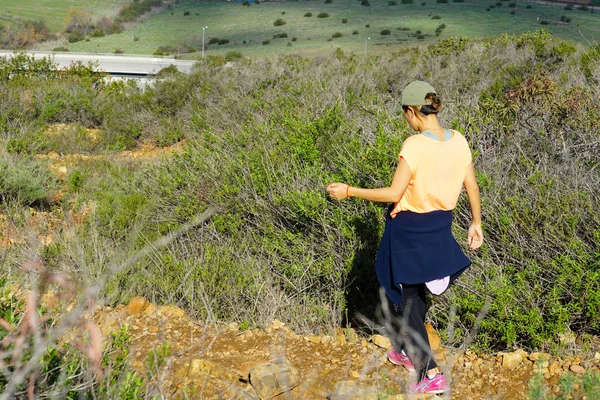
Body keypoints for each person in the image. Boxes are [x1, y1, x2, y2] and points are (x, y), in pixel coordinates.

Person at [326, 80, 483, 394]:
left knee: (404, 294)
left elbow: (394, 193)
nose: (406, 121)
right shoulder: (458, 140)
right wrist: (475, 223)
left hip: (409, 229)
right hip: (440, 226)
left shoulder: (414, 145)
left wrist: (349, 191)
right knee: (414, 290)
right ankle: (406, 352)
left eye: (405, 114)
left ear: (413, 111)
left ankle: (430, 374)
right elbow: (472, 187)